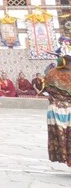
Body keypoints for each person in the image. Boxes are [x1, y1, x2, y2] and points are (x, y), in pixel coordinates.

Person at [47, 32, 71, 168]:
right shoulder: (53, 73)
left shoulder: (51, 73)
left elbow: (48, 92)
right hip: (63, 110)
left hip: (57, 110)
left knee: (64, 138)